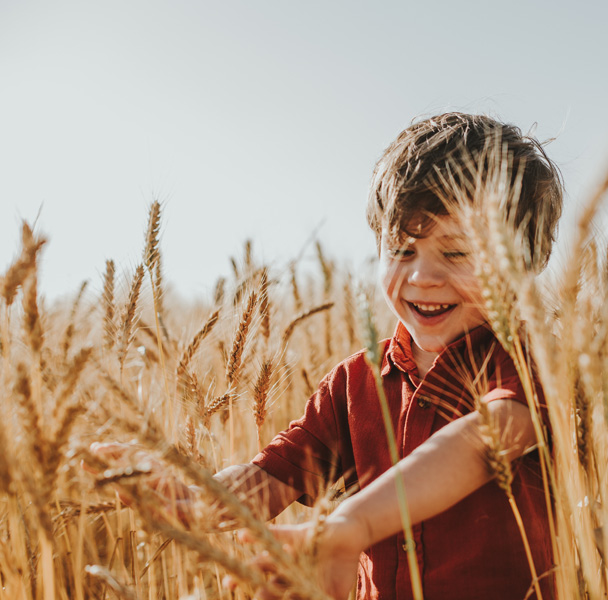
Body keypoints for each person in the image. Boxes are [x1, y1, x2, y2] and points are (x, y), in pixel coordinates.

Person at [93, 112, 563, 600]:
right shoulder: (355, 383)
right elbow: (271, 478)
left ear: (524, 261)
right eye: (402, 248)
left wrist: (351, 524)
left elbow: (487, 439)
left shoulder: (533, 361)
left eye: (458, 253)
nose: (423, 276)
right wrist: (198, 499)